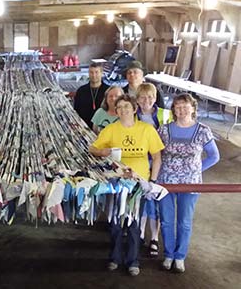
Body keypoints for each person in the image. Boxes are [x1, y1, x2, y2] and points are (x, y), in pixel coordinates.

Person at [89, 95, 164, 276]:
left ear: (134, 109)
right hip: (116, 182)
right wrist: (103, 151)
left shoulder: (147, 130)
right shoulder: (111, 129)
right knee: (115, 222)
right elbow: (92, 148)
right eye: (120, 107)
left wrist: (152, 181)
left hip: (139, 184)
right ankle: (114, 257)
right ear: (116, 110)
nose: (123, 110)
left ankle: (133, 261)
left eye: (127, 107)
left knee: (134, 224)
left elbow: (156, 157)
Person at [157, 94, 219, 273]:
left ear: (193, 108)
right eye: (177, 107)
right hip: (165, 182)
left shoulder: (203, 130)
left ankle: (180, 256)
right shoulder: (164, 130)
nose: (181, 110)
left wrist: (195, 171)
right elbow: (155, 154)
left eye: (185, 106)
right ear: (173, 110)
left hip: (191, 184)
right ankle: (168, 254)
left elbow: (214, 156)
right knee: (167, 221)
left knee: (184, 221)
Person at [135, 82, 173, 256]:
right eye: (142, 97)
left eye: (150, 97)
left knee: (155, 199)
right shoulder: (133, 115)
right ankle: (141, 233)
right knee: (142, 199)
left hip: (159, 162)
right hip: (141, 162)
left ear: (156, 98)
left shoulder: (165, 115)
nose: (146, 100)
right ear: (137, 99)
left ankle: (155, 238)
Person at [74, 63, 109, 128]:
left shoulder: (108, 91)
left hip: (103, 127)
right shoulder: (81, 91)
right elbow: (76, 110)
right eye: (91, 72)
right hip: (84, 127)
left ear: (101, 73)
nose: (94, 75)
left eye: (96, 72)